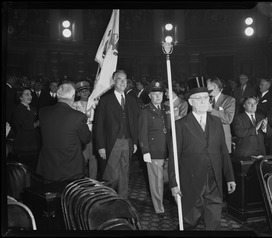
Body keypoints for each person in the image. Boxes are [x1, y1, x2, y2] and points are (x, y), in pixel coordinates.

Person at [168, 86, 236, 230]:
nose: (204, 101)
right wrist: (174, 183)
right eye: (199, 98)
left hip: (214, 179)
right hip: (192, 179)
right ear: (191, 102)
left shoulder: (216, 122)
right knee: (190, 220)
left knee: (214, 220)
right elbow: (174, 156)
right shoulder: (180, 125)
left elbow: (223, 151)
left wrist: (230, 177)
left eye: (206, 98)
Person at [93, 70, 139, 199]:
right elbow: (99, 125)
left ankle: (122, 201)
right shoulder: (105, 100)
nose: (123, 82)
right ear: (114, 81)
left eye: (125, 79)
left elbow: (134, 123)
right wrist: (101, 146)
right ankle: (108, 200)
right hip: (112, 142)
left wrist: (135, 142)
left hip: (128, 141)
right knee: (111, 177)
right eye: (120, 79)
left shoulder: (131, 99)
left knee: (125, 174)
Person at [36, 83, 92, 182]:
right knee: (70, 197)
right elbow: (86, 138)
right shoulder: (78, 116)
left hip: (48, 166)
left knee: (51, 196)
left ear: (58, 95)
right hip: (70, 169)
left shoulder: (43, 112)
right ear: (73, 97)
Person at [138, 80, 169, 215]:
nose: (158, 96)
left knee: (167, 179)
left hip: (167, 150)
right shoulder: (145, 111)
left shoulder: (167, 109)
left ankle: (165, 199)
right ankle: (159, 208)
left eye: (160, 93)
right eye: (155, 94)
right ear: (149, 96)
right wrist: (145, 151)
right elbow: (142, 132)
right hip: (154, 150)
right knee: (156, 182)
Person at [11, 87, 41, 170]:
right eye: (27, 94)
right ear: (20, 97)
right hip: (24, 145)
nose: (30, 96)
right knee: (26, 170)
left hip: (33, 143)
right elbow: (28, 126)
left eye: (30, 94)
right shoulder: (19, 110)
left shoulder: (33, 108)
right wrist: (40, 121)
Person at [73, 80, 98, 180]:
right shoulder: (74, 105)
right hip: (81, 135)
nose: (85, 93)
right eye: (82, 91)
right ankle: (81, 180)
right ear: (78, 93)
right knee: (82, 159)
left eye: (86, 90)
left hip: (93, 133)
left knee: (93, 159)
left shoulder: (95, 102)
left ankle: (93, 180)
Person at [206, 77, 236, 154]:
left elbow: (228, 119)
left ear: (214, 87)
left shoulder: (229, 100)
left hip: (222, 139)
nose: (205, 88)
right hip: (208, 139)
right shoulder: (206, 99)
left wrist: (211, 110)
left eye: (207, 86)